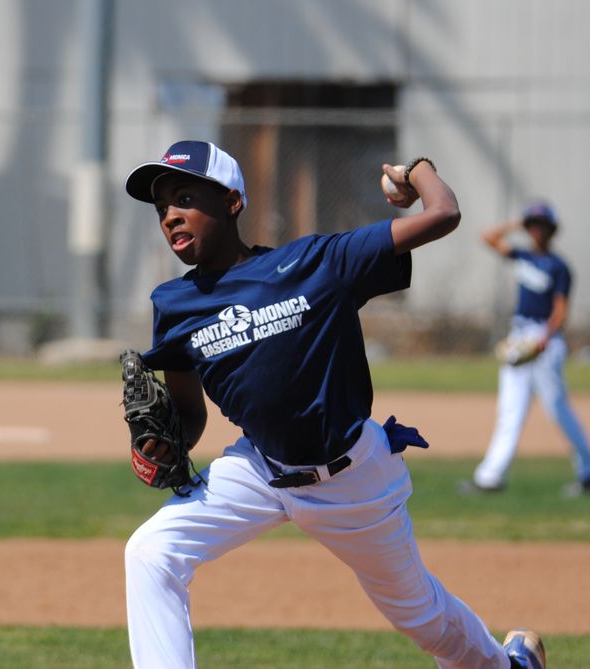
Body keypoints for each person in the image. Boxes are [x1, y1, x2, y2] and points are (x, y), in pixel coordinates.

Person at [121, 140, 546, 669]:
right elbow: (190, 416)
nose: (170, 215)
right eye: (162, 207)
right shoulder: (174, 303)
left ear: (232, 201)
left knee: (423, 620)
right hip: (258, 469)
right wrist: (164, 443)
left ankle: (508, 665)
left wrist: (418, 171)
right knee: (149, 553)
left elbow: (444, 215)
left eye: (184, 197)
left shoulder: (316, 263)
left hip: (352, 477)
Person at [465, 202, 590, 496]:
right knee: (510, 410)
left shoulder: (558, 267)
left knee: (557, 409)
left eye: (541, 224)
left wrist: (546, 336)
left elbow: (561, 309)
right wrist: (518, 222)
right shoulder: (523, 257)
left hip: (544, 339)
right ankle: (490, 477)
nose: (536, 230)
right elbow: (487, 237)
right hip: (519, 336)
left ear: (551, 229)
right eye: (532, 225)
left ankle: (587, 470)